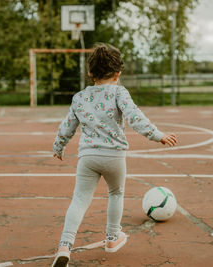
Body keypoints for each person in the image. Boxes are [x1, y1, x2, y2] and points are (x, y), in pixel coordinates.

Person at [51, 43, 177, 267]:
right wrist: (158, 135)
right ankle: (112, 238)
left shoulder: (79, 97)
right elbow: (135, 117)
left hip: (88, 157)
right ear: (118, 73)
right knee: (116, 193)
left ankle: (64, 245)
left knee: (79, 200)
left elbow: (67, 126)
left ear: (90, 73)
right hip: (114, 157)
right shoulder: (119, 92)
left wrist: (59, 146)